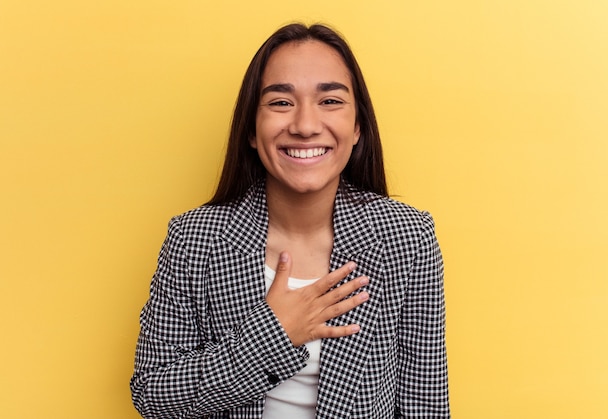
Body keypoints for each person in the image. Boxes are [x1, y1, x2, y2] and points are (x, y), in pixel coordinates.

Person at [130, 23, 450, 418]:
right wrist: (272, 336)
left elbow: (426, 404)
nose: (304, 125)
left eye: (330, 101)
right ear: (251, 128)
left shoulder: (407, 238)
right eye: (281, 102)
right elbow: (152, 397)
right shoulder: (194, 239)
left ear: (357, 128)